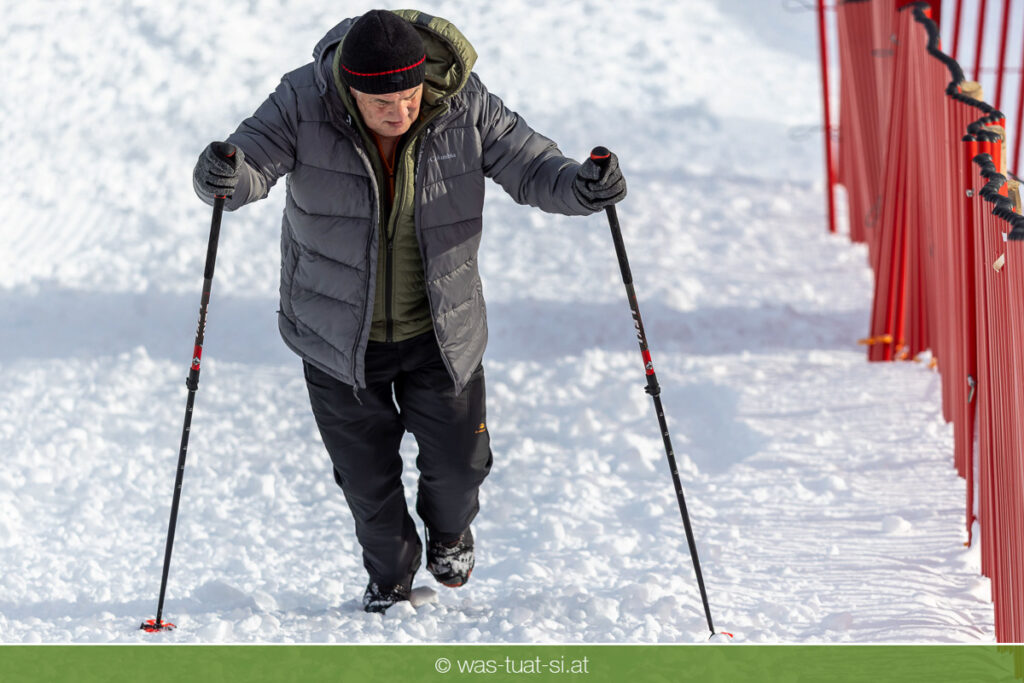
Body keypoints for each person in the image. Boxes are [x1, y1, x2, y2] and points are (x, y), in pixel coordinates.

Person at [192, 9, 626, 613]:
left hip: (440, 330)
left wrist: (581, 185)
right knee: (368, 483)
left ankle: (450, 535)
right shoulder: (302, 101)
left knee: (460, 466)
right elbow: (250, 166)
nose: (400, 113)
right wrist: (223, 175)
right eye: (382, 103)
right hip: (338, 338)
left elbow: (531, 165)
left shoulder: (464, 103)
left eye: (410, 96)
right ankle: (391, 581)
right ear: (350, 89)